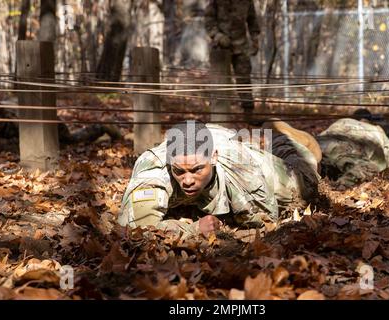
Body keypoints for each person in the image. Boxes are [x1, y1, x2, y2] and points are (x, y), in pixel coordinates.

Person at [118, 119, 321, 238]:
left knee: (308, 180)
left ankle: (280, 137)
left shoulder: (243, 171)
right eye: (179, 172)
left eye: (197, 170)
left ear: (212, 157)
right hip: (208, 138)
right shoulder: (154, 170)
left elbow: (265, 222)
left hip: (235, 151)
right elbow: (136, 228)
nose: (187, 180)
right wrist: (193, 229)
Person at [204, 0, 260, 115]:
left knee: (244, 79)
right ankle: (217, 113)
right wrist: (218, 36)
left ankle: (248, 112)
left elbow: (252, 20)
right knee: (219, 81)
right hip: (220, 48)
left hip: (241, 45)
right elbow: (209, 21)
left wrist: (255, 41)